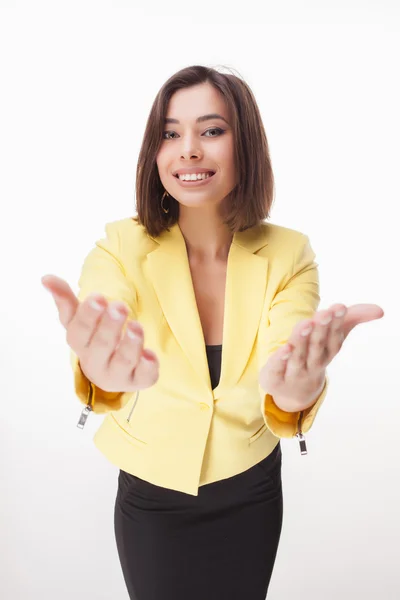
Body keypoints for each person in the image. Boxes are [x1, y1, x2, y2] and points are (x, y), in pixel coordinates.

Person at [41, 65, 384, 600]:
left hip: (250, 490)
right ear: (154, 152)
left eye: (211, 130)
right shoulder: (118, 248)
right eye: (171, 133)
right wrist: (100, 369)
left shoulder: (290, 253)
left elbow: (287, 351)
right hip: (153, 496)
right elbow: (106, 309)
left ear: (244, 144)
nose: (189, 150)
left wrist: (296, 389)